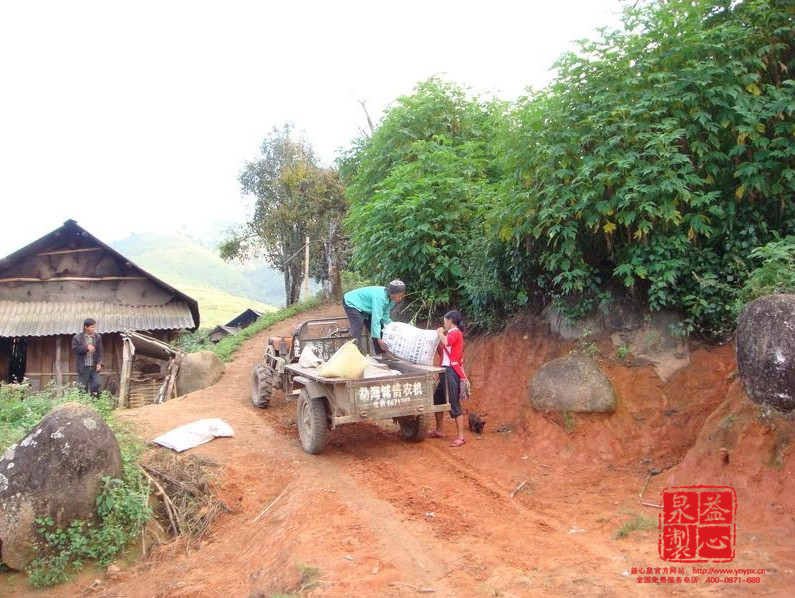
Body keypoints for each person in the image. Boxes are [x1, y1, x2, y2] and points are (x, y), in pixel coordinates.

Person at [428, 310, 468, 447]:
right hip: (445, 370)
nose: (444, 323)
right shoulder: (452, 333)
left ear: (450, 320)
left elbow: (446, 342)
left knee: (453, 402)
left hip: (452, 371)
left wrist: (439, 333)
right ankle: (439, 430)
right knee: (438, 399)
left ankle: (461, 437)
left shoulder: (455, 333)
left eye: (445, 321)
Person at [343, 280, 406, 354]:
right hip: (352, 301)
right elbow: (376, 320)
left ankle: (382, 354)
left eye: (402, 296)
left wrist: (395, 326)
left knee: (380, 329)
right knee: (358, 324)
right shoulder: (380, 297)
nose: (400, 299)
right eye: (399, 296)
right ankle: (354, 353)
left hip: (366, 308)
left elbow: (385, 317)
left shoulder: (391, 300)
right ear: (392, 294)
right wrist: (379, 340)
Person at [72, 317, 104, 397]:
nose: (93, 329)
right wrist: (86, 348)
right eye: (92, 327)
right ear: (86, 327)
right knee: (82, 388)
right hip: (83, 367)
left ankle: (95, 403)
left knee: (96, 384)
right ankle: (83, 405)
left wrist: (99, 363)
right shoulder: (77, 338)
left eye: (94, 327)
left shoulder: (97, 337)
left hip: (93, 367)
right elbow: (75, 349)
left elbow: (100, 351)